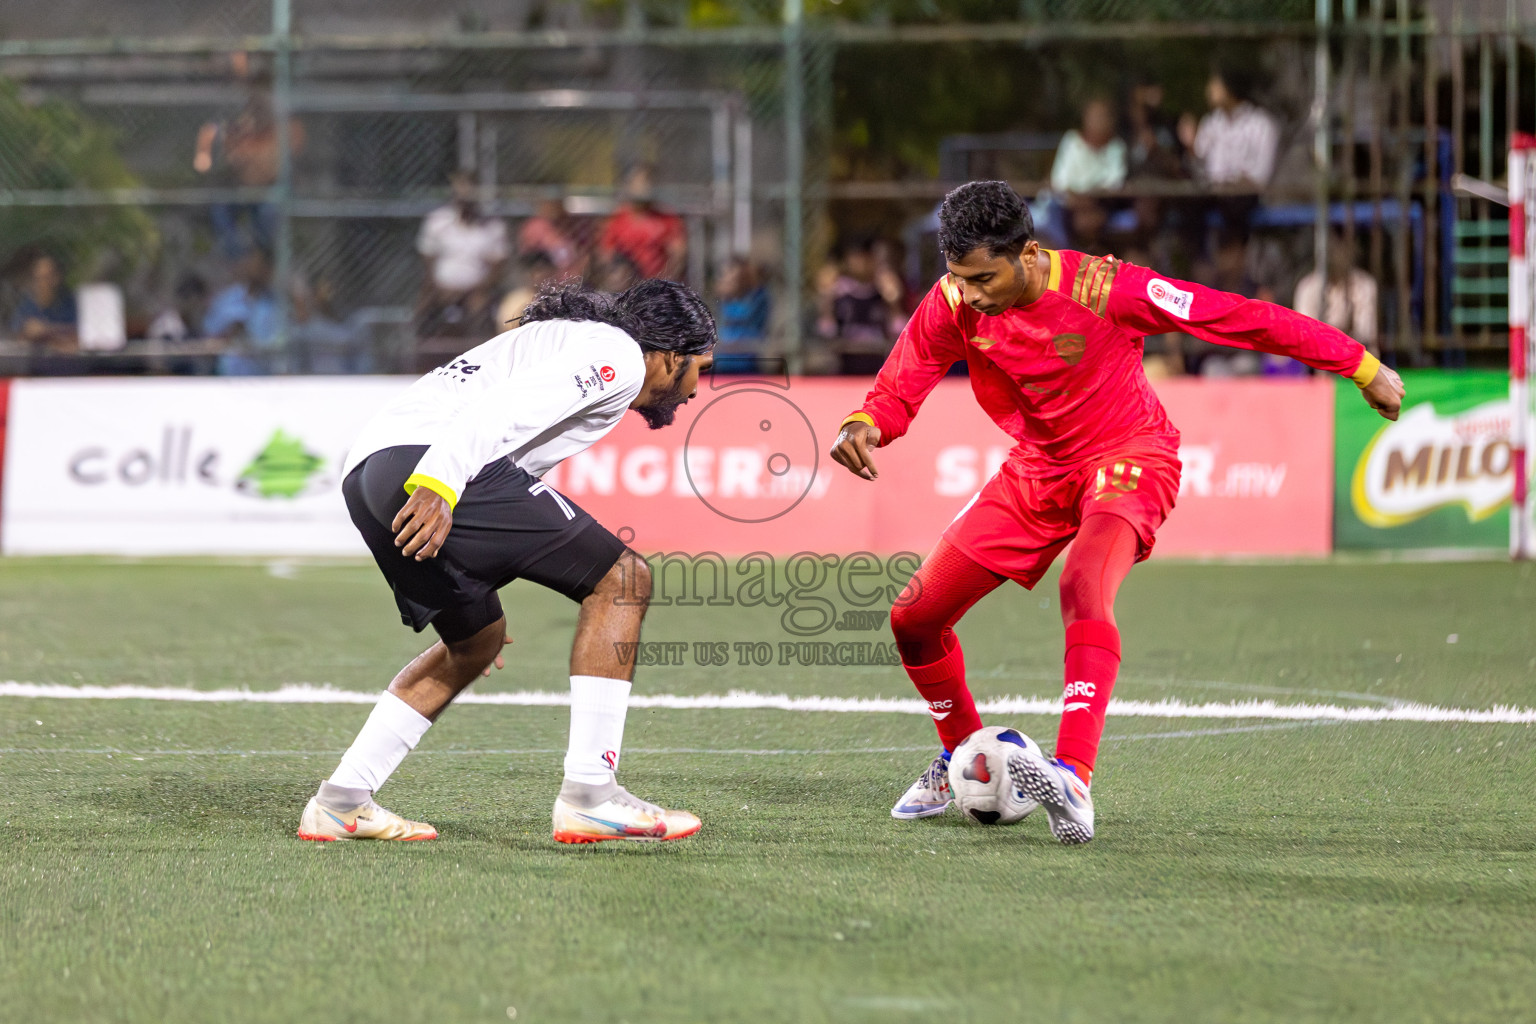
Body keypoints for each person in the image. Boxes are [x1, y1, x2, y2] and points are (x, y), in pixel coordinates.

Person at [828, 181, 1404, 845]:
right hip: (1038, 471)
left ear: (1031, 254)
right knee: (914, 617)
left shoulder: (1108, 290)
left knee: (1083, 583)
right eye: (961, 278)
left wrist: (1359, 365)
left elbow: (1236, 317)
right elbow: (906, 376)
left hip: (1128, 457)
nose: (974, 294)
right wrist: (869, 421)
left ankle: (1071, 777)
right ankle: (964, 754)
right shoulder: (957, 297)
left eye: (986, 277)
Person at [296, 278, 717, 845]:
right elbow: (501, 410)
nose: (696, 388)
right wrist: (439, 484)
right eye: (700, 368)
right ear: (669, 356)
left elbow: (510, 465)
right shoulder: (616, 354)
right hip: (430, 463)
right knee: (623, 580)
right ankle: (592, 794)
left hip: (369, 473)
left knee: (476, 642)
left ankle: (341, 803)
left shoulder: (578, 343)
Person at [417, 171, 510, 338]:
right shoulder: (437, 221)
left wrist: (477, 289)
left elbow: (497, 267)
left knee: (482, 312)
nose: (465, 199)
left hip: (477, 291)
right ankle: (421, 358)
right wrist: (437, 286)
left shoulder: (493, 226)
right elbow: (428, 258)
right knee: (423, 310)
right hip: (441, 289)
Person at [816, 237, 907, 375]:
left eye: (865, 258)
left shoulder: (883, 290)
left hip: (879, 366)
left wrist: (894, 304)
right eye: (855, 257)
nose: (860, 263)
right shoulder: (839, 291)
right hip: (845, 366)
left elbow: (899, 329)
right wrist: (826, 301)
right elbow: (826, 330)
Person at [1049, 98, 1128, 253]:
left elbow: (1114, 184)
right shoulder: (1071, 141)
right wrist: (1079, 199)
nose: (1099, 121)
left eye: (1103, 116)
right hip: (1071, 207)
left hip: (1100, 207)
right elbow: (1059, 181)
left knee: (1092, 220)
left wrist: (1089, 198)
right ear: (1085, 118)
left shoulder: (1117, 147)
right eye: (1094, 116)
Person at [1292, 233, 1379, 356]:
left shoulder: (1364, 285)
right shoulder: (1307, 286)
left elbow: (1365, 333)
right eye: (1329, 249)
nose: (1333, 255)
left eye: (1339, 248)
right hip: (1317, 360)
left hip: (1356, 360)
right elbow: (1304, 335)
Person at [598, 164, 687, 281]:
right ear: (629, 185)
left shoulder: (665, 217)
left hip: (656, 285)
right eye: (639, 182)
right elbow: (606, 253)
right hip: (625, 285)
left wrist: (667, 280)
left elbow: (678, 252)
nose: (644, 187)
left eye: (647, 182)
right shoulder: (617, 218)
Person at [204, 249, 280, 374]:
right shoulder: (226, 300)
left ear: (269, 270)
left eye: (261, 266)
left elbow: (277, 350)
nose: (256, 270)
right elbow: (208, 339)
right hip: (226, 380)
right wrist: (228, 334)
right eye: (253, 264)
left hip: (262, 380)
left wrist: (248, 336)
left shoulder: (275, 307)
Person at [713, 256, 771, 373]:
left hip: (745, 361)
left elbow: (748, 317)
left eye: (732, 276)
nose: (727, 280)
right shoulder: (722, 302)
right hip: (722, 362)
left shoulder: (758, 298)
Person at [11, 252, 78, 348]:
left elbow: (83, 334)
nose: (40, 283)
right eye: (37, 278)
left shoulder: (71, 304)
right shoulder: (26, 307)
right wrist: (27, 332)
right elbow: (16, 339)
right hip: (36, 361)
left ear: (56, 279)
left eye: (45, 278)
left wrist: (47, 330)